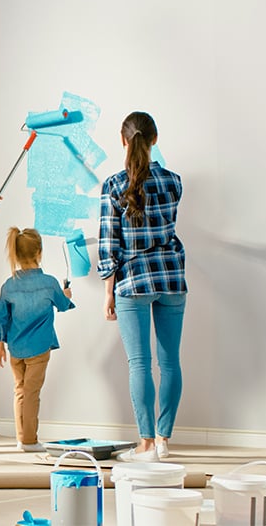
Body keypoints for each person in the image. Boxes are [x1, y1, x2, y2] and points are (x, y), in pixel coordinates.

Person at [97, 111, 187, 462]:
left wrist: (108, 291)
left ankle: (146, 445)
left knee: (139, 364)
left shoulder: (114, 185)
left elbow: (108, 244)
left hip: (133, 281)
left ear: (123, 140)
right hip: (172, 278)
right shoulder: (174, 182)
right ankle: (164, 441)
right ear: (155, 139)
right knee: (170, 363)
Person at [0, 227, 74, 452]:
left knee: (19, 391)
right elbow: (63, 306)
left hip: (15, 349)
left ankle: (22, 439)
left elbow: (1, 318)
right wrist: (67, 295)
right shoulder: (49, 283)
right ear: (39, 252)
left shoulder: (9, 285)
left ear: (16, 255)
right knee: (31, 393)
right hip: (39, 348)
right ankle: (29, 441)